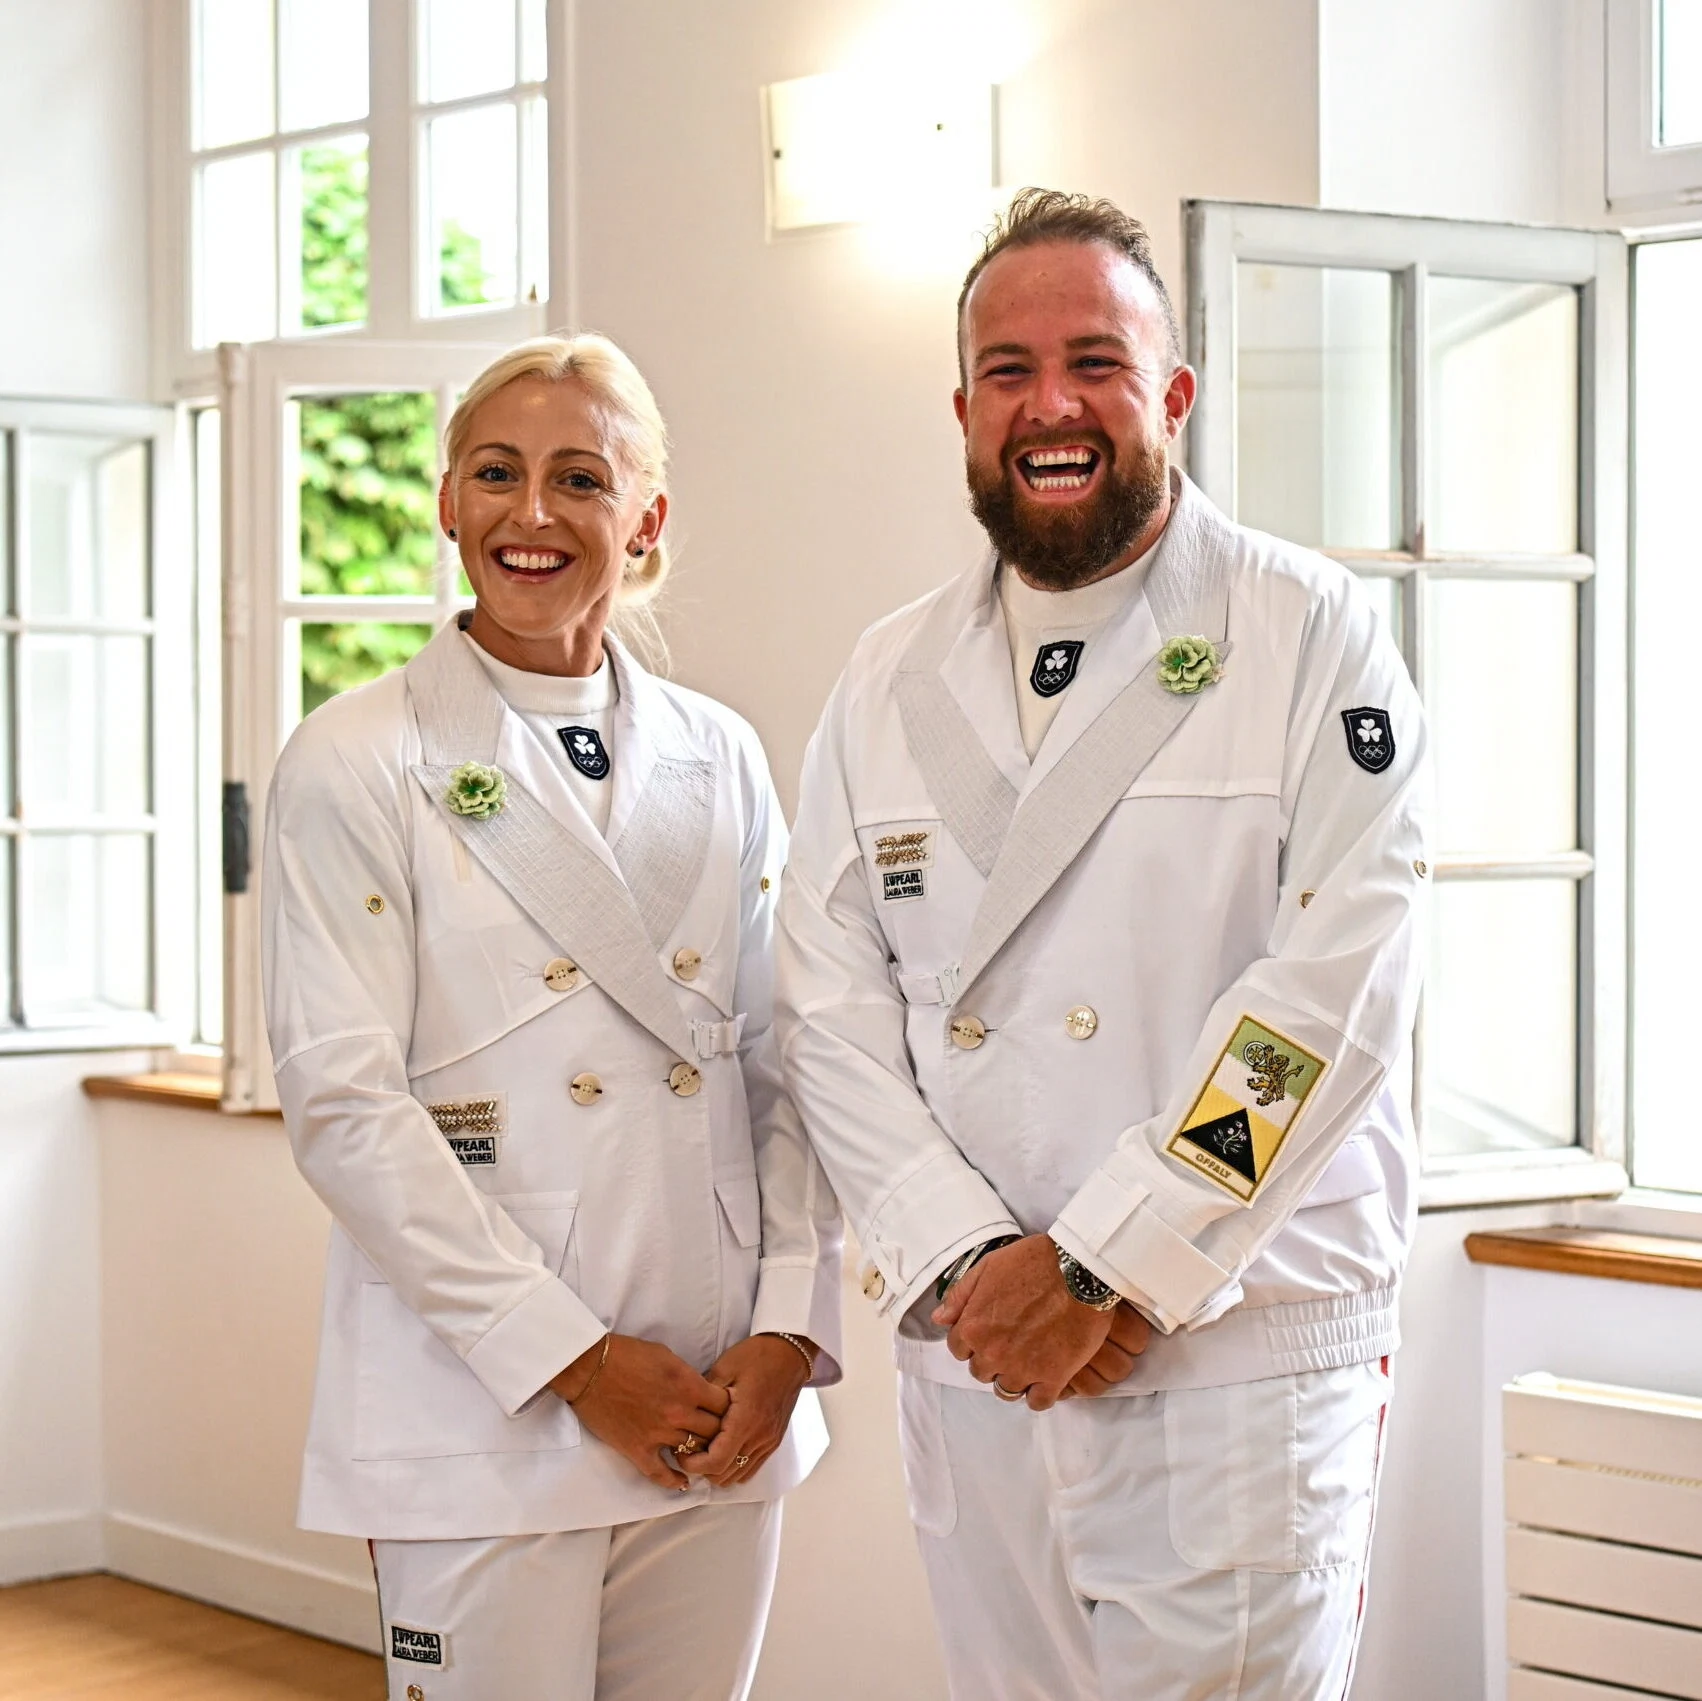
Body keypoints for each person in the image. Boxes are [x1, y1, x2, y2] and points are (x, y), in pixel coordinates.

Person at [774, 188, 1429, 1700]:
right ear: (962, 410)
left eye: (1095, 363)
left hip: (1228, 1351)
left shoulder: (1307, 632)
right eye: (1007, 371)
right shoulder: (886, 676)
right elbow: (825, 1007)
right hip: (980, 1346)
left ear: (1173, 396)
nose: (1050, 406)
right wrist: (969, 1261)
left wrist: (1106, 1264)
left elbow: (1333, 996)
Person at [262, 333, 841, 1701]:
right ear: (446, 503)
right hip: (486, 1402)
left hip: (713, 1398)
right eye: (496, 473)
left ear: (644, 520)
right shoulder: (355, 757)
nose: (533, 512)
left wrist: (787, 1326)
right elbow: (346, 1107)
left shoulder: (721, 751)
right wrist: (575, 1362)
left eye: (580, 478)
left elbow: (787, 1058)